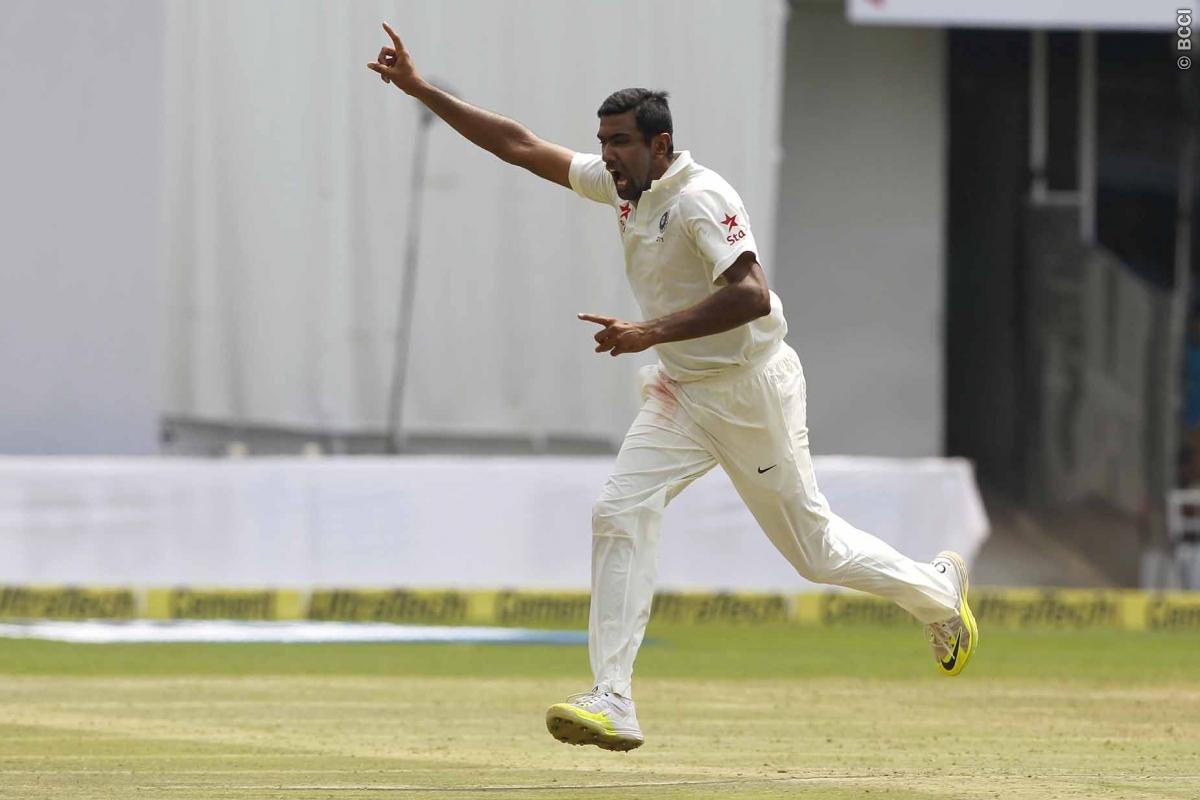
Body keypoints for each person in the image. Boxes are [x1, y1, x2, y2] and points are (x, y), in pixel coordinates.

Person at [367, 22, 978, 752]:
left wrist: (648, 332)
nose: (607, 155)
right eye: (602, 141)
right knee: (619, 510)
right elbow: (520, 146)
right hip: (682, 390)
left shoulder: (699, 198)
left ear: (660, 145)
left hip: (749, 390)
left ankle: (937, 592)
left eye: (621, 142)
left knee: (814, 553)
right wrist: (421, 89)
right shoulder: (624, 187)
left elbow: (750, 294)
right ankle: (613, 698)